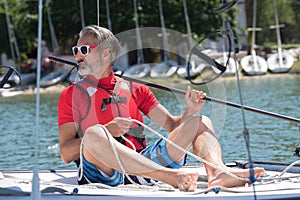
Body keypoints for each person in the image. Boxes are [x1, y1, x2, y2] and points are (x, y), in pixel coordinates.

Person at [58, 25, 265, 192]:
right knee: (95, 133)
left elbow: (171, 126)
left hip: (142, 166)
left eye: (84, 50)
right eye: (76, 50)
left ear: (106, 54)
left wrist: (190, 111)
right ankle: (171, 177)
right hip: (103, 170)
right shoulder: (71, 95)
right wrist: (108, 130)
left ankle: (217, 175)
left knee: (201, 122)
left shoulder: (134, 88)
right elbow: (66, 153)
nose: (78, 55)